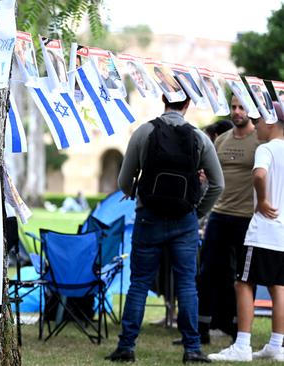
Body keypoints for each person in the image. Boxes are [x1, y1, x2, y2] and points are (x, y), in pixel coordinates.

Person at [106, 94, 223, 363]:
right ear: (187, 104)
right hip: (185, 221)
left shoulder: (144, 132)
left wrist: (134, 191)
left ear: (163, 100)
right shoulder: (200, 138)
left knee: (139, 284)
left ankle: (127, 347)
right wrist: (198, 213)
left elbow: (124, 181)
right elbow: (218, 185)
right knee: (187, 286)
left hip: (149, 218)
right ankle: (192, 348)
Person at [208, 102, 284, 362]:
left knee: (243, 283)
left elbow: (260, 175)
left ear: (272, 122)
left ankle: (242, 345)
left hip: (263, 230)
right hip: (282, 233)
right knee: (278, 286)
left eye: (261, 120)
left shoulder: (265, 149)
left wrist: (262, 201)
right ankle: (276, 344)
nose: (258, 125)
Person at [196, 96, 261, 346]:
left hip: (248, 218)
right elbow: (210, 174)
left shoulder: (261, 142)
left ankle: (238, 331)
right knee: (207, 273)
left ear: (251, 110)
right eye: (233, 107)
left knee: (244, 277)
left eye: (241, 107)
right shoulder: (221, 140)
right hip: (219, 215)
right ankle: (201, 329)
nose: (236, 112)